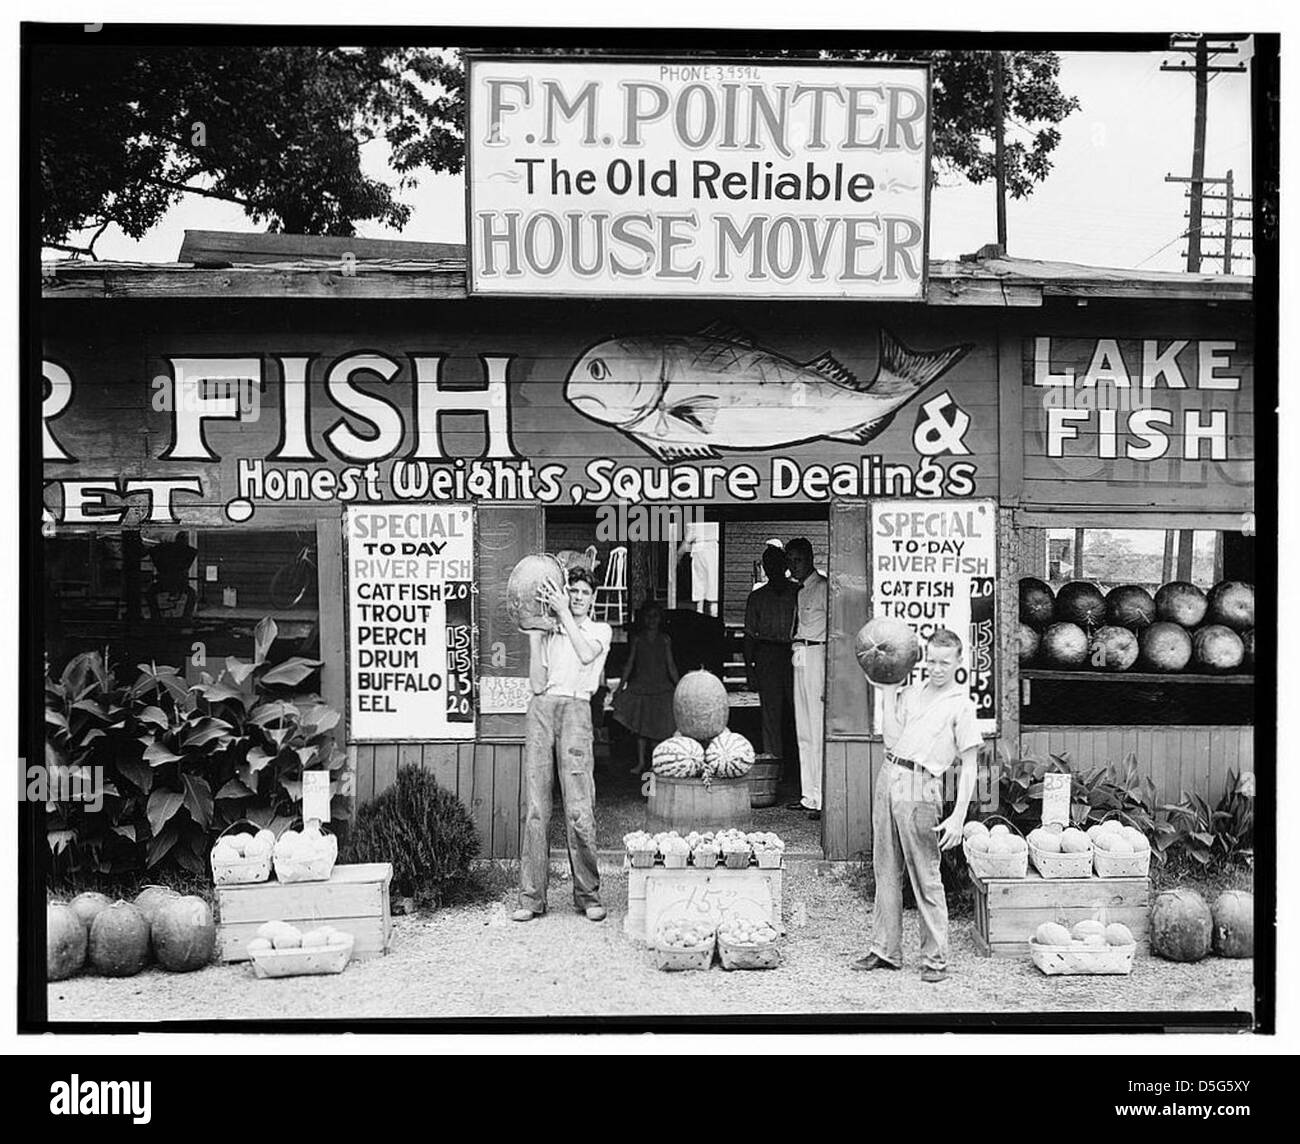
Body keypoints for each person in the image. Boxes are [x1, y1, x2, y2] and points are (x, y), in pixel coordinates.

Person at [853, 628, 982, 983]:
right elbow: (891, 738)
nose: (937, 668)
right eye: (932, 661)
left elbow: (970, 766)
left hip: (921, 784)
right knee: (885, 868)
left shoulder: (961, 705)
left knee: (925, 874)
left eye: (945, 662)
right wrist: (889, 692)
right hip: (890, 773)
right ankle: (885, 950)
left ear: (959, 662)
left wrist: (957, 818)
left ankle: (935, 959)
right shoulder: (911, 694)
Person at [513, 566, 612, 923]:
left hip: (577, 708)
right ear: (565, 593)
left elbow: (586, 655)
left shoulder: (599, 629)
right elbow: (537, 684)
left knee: (579, 808)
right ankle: (530, 898)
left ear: (594, 597)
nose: (579, 596)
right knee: (537, 808)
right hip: (543, 708)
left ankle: (588, 895)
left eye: (586, 592)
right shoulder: (551, 630)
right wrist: (537, 635)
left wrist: (564, 615)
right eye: (574, 591)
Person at [612, 600, 680, 776]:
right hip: (641, 685)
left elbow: (670, 664)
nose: (651, 620)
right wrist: (621, 686)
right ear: (643, 619)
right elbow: (630, 663)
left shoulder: (665, 640)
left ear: (660, 619)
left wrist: (679, 685)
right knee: (641, 728)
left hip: (660, 686)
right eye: (648, 616)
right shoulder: (638, 639)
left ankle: (655, 763)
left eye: (655, 616)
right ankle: (641, 762)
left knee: (657, 728)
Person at [785, 537, 827, 820]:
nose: (792, 566)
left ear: (810, 558)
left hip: (817, 653)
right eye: (789, 560)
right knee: (803, 730)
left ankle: (822, 796)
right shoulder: (798, 591)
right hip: (800, 653)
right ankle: (808, 794)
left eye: (797, 560)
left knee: (817, 726)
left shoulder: (823, 588)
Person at [743, 545, 796, 764]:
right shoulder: (757, 596)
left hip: (794, 654)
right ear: (764, 567)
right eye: (769, 564)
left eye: (777, 563)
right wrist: (749, 670)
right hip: (767, 654)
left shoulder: (798, 591)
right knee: (770, 713)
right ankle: (774, 765)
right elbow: (749, 636)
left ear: (785, 565)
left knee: (800, 710)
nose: (773, 568)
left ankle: (801, 768)